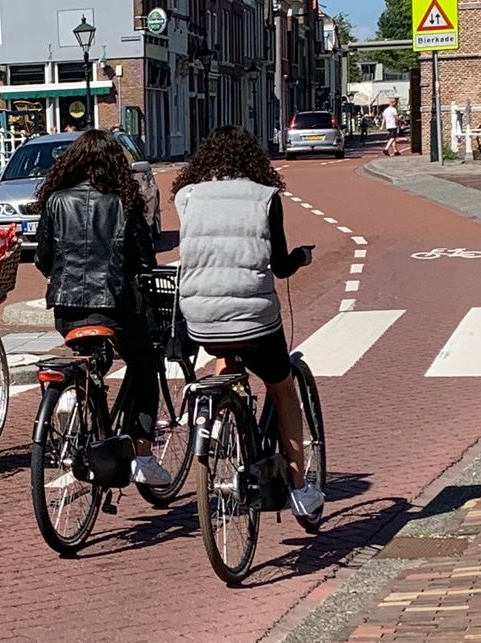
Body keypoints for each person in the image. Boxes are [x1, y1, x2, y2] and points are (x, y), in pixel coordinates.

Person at [171, 126, 323, 519]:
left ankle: (225, 425)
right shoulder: (265, 197)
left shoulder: (185, 197)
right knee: (282, 387)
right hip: (253, 319)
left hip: (200, 317)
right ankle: (299, 487)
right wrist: (303, 258)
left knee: (225, 353)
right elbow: (279, 265)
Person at [33, 130, 171, 488]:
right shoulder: (125, 201)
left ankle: (75, 398)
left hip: (67, 308)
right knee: (144, 367)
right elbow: (144, 260)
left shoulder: (55, 201)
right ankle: (142, 455)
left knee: (91, 360)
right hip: (115, 306)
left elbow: (44, 258)